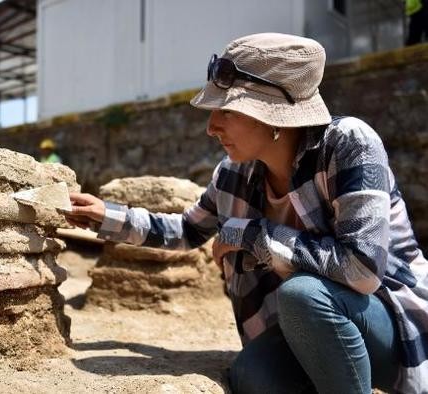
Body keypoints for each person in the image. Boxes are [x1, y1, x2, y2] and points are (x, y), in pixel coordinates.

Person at [65, 33, 428, 393]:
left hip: (389, 318)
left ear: (273, 116)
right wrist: (106, 215)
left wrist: (251, 235)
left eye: (226, 110)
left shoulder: (348, 143)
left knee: (303, 295)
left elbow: (361, 269)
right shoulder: (234, 174)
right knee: (253, 375)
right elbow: (187, 231)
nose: (211, 127)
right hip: (306, 328)